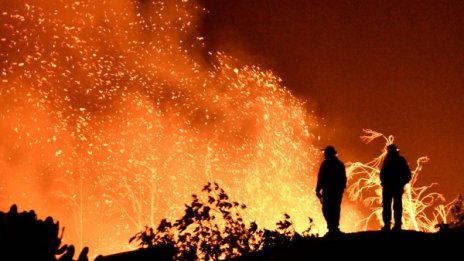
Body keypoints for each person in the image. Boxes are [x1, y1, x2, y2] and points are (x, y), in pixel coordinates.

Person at [315, 145, 347, 236]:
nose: (324, 155)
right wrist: (341, 189)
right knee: (334, 209)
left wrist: (318, 190)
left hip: (330, 192)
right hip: (335, 192)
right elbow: (343, 179)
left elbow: (320, 178)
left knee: (328, 209)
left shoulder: (325, 164)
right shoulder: (339, 164)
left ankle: (332, 229)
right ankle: (334, 228)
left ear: (329, 154)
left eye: (325, 153)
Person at [380, 144, 412, 231]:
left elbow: (408, 175)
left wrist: (400, 183)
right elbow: (408, 175)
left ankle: (392, 225)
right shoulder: (395, 160)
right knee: (391, 206)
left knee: (393, 206)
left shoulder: (393, 160)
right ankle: (392, 225)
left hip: (393, 187)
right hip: (392, 187)